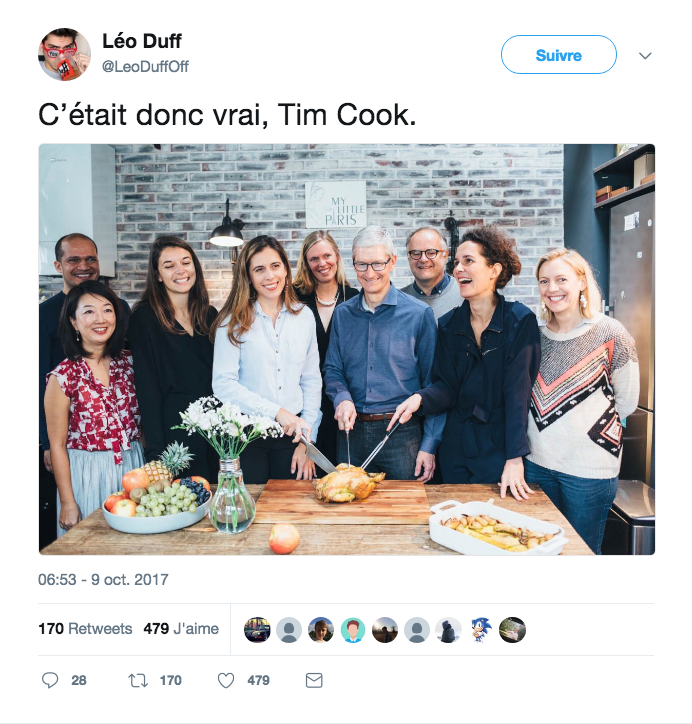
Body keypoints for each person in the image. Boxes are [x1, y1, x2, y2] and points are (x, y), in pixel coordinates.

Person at [389, 225, 541, 497]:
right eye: (457, 263)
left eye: (468, 261)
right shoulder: (449, 324)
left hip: (498, 448)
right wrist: (419, 399)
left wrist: (514, 457)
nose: (458, 269)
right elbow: (447, 388)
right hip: (456, 447)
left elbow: (518, 395)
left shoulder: (519, 321)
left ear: (494, 270)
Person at [525, 248, 639, 554]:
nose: (552, 288)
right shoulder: (534, 334)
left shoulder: (610, 332)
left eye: (561, 279)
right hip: (537, 464)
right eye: (544, 281)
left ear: (582, 282)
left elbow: (627, 401)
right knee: (538, 551)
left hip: (589, 471)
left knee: (581, 554)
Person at [323, 226, 444, 481]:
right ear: (353, 264)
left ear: (392, 262)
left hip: (402, 434)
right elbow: (333, 369)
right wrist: (341, 398)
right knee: (348, 503)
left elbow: (434, 384)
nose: (369, 273)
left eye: (377, 264)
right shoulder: (342, 314)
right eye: (362, 264)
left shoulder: (419, 315)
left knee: (405, 505)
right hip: (351, 433)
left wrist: (429, 444)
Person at [212, 235, 322, 484]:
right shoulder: (232, 321)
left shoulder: (304, 316)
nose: (270, 276)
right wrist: (277, 412)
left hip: (294, 437)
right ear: (248, 276)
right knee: (253, 504)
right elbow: (223, 384)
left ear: (285, 269)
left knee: (292, 504)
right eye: (259, 269)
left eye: (275, 266)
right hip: (246, 437)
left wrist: (307, 442)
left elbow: (311, 380)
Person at [44, 281, 144, 537]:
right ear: (73, 322)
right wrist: (67, 502)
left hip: (134, 469)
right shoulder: (63, 376)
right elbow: (57, 445)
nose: (101, 319)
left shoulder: (131, 364)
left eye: (107, 310)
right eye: (89, 311)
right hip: (86, 474)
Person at [128, 237, 219, 482]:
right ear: (158, 275)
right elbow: (147, 389)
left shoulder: (210, 315)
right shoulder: (144, 318)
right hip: (173, 432)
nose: (180, 270)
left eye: (186, 262)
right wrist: (156, 454)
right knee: (183, 499)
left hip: (213, 430)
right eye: (169, 266)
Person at [40, 234, 132, 473]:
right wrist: (47, 442)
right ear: (58, 266)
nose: (84, 266)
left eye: (90, 259)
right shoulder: (43, 315)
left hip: (122, 445)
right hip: (75, 441)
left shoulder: (121, 307)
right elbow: (38, 380)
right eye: (74, 260)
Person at [294, 231, 358, 467]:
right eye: (314, 259)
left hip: (343, 402)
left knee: (341, 472)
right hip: (304, 402)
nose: (322, 263)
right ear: (306, 263)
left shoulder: (354, 298)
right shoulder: (294, 299)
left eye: (327, 256)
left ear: (337, 256)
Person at [401, 227, 461, 321]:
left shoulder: (465, 295)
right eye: (416, 253)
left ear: (445, 256)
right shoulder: (399, 301)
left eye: (431, 252)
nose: (423, 259)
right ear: (408, 257)